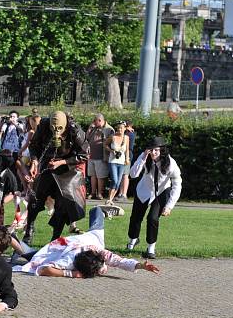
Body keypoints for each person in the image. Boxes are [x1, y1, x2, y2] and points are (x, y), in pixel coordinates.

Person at [13, 207, 159, 278]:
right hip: (61, 248)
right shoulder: (68, 261)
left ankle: (101, 210)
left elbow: (120, 261)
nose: (102, 270)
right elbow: (43, 269)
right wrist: (70, 274)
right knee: (32, 257)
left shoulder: (101, 252)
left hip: (91, 238)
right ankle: (9, 236)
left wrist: (140, 265)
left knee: (96, 213)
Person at [24, 111, 88, 244]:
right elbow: (34, 146)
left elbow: (84, 154)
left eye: (59, 128)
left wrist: (62, 162)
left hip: (68, 169)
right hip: (48, 165)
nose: (56, 131)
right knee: (36, 198)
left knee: (63, 203)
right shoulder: (43, 126)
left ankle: (55, 237)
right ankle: (29, 229)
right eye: (53, 128)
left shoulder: (75, 131)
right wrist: (35, 161)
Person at [126, 136, 182, 260]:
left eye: (157, 150)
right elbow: (133, 174)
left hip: (161, 192)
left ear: (162, 150)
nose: (154, 153)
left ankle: (151, 248)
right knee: (136, 217)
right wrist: (143, 158)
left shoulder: (171, 163)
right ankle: (133, 240)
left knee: (152, 218)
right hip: (144, 190)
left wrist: (169, 206)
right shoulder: (144, 157)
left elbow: (177, 185)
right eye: (151, 150)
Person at [85, 113, 113, 200]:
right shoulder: (94, 128)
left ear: (100, 120)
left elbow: (112, 142)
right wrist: (89, 128)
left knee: (100, 176)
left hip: (101, 157)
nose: (93, 122)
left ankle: (100, 193)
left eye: (95, 121)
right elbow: (86, 138)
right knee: (93, 175)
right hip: (91, 156)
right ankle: (93, 193)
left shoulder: (109, 129)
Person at [105, 121, 132, 204]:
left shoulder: (126, 138)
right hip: (112, 161)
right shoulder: (112, 137)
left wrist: (127, 159)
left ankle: (111, 199)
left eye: (122, 128)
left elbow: (127, 150)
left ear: (124, 128)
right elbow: (105, 144)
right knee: (115, 180)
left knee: (118, 181)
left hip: (122, 162)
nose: (120, 129)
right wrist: (111, 151)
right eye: (119, 128)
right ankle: (109, 198)